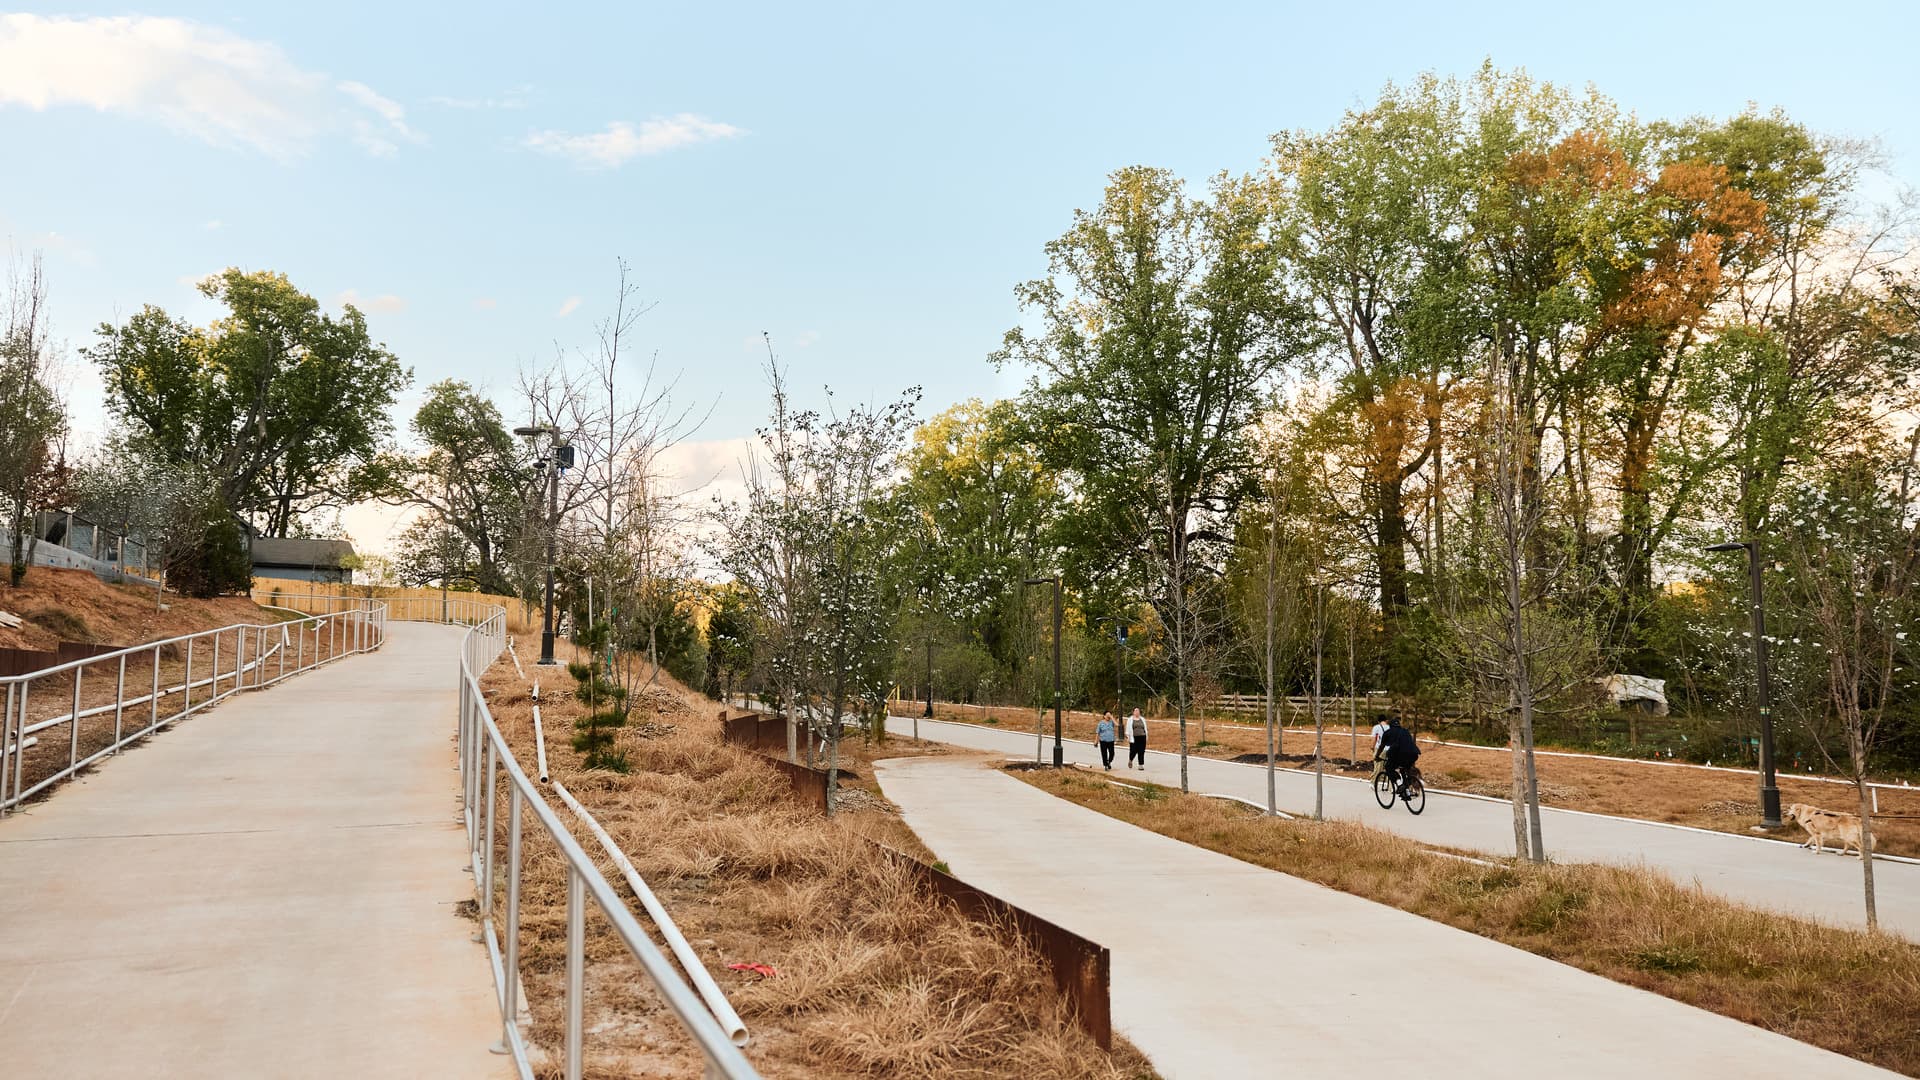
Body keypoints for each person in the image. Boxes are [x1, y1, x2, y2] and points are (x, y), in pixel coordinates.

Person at [1378, 715, 1421, 797]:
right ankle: (1407, 790)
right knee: (1404, 768)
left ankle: (1399, 784)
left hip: (1400, 754)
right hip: (1413, 754)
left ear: (1390, 726)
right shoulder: (1405, 731)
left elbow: (1381, 746)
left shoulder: (1388, 732)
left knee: (1388, 768)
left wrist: (1377, 756)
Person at [1369, 712, 1392, 781]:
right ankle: (1388, 781)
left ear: (1378, 721)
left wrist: (1372, 747)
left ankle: (1373, 781)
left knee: (1377, 766)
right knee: (1388, 766)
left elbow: (1374, 739)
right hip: (1389, 749)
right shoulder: (1390, 727)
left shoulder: (1376, 727)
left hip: (1380, 748)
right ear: (1386, 720)